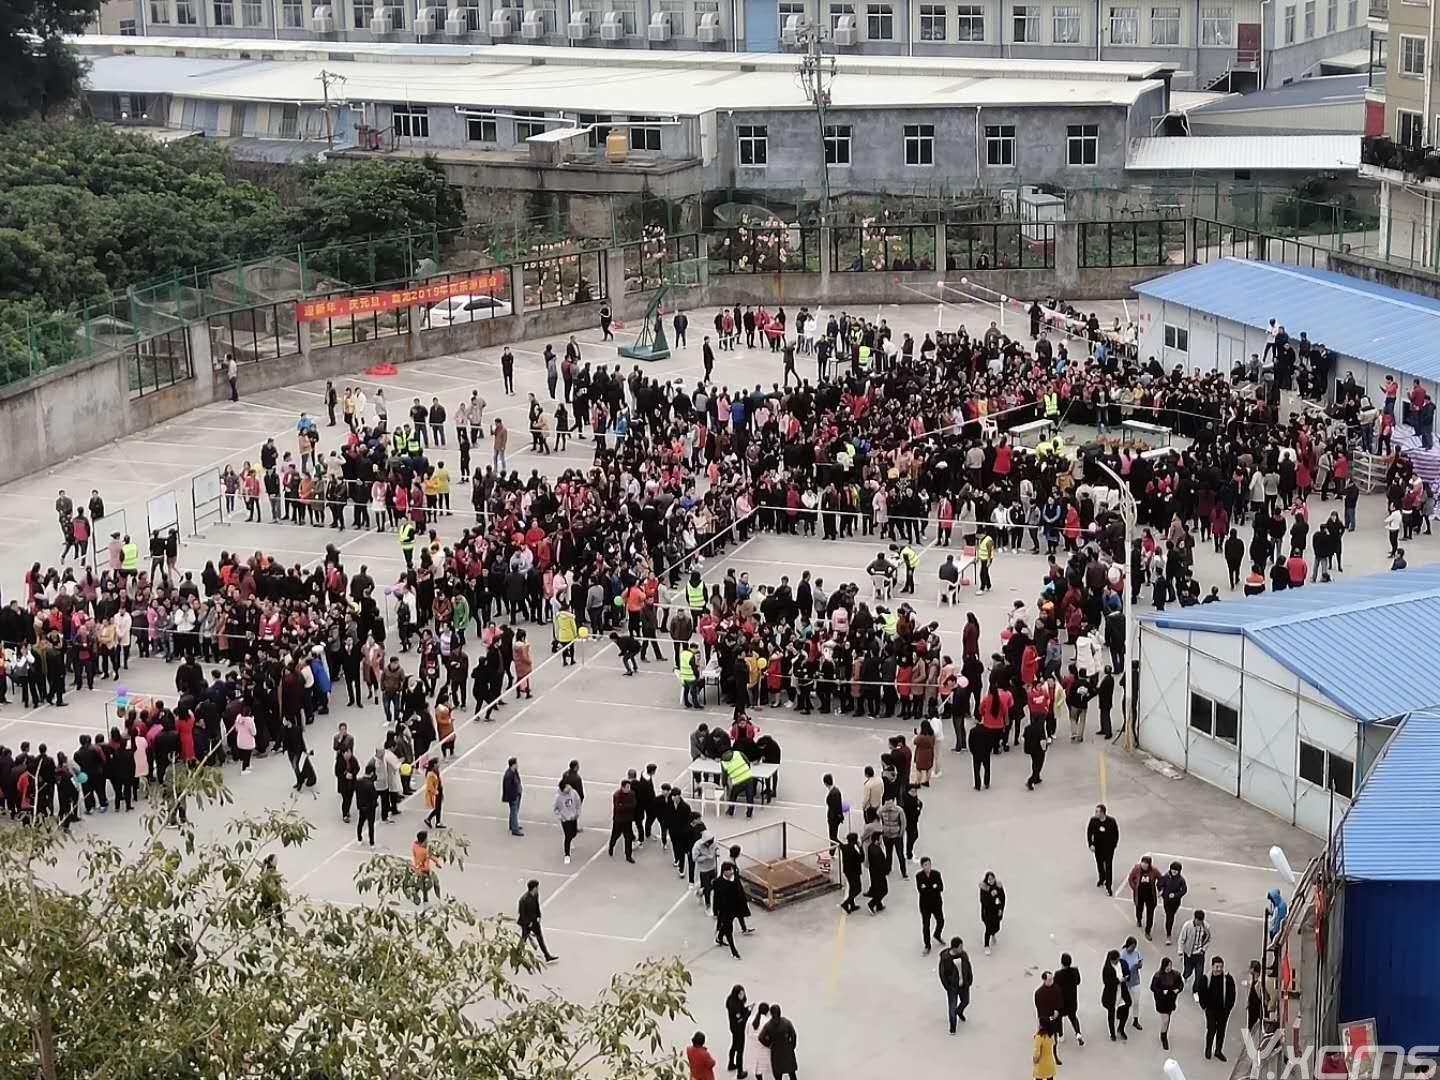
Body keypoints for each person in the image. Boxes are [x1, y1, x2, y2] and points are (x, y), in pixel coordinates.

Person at [1200, 956, 1237, 1061]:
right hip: (1210, 1010)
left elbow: (1232, 994)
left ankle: (1218, 1051)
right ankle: (1208, 1049)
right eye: (1217, 967)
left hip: (1223, 1011)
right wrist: (1204, 1006)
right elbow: (1201, 993)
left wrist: (1228, 1009)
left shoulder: (1228, 979)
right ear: (1212, 967)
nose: (1219, 969)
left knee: (1221, 1031)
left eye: (1221, 967)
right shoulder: (1206, 979)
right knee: (1211, 1030)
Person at [938, 936, 974, 1033]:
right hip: (953, 987)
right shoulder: (946, 959)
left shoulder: (964, 955)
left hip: (964, 985)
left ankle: (959, 1011)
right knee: (952, 1007)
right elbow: (942, 974)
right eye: (960, 947)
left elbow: (968, 967)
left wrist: (969, 979)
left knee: (966, 1001)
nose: (962, 948)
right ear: (954, 948)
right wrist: (948, 987)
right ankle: (953, 1027)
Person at [517, 879, 558, 962]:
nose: (538, 888)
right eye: (537, 887)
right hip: (527, 923)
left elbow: (537, 906)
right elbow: (522, 913)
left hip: (534, 921)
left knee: (540, 938)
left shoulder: (535, 895)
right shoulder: (523, 900)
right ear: (534, 888)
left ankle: (547, 955)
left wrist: (539, 916)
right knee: (524, 938)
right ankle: (517, 954)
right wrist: (528, 923)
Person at [713, 862, 746, 959]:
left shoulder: (735, 879)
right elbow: (716, 897)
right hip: (725, 909)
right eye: (729, 870)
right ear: (724, 871)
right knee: (729, 929)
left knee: (726, 925)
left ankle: (719, 937)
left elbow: (740, 892)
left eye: (731, 870)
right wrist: (715, 911)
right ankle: (734, 951)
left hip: (735, 907)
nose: (731, 872)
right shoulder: (718, 882)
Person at [1150, 956, 1183, 1050]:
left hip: (1171, 1000)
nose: (1169, 968)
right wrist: (1161, 991)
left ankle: (1165, 1031)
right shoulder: (1158, 976)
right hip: (1161, 1001)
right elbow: (1153, 987)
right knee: (1165, 1020)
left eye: (1170, 965)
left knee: (1168, 1018)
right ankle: (1163, 1036)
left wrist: (1178, 989)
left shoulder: (1176, 974)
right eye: (1167, 966)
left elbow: (1181, 984)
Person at [1178, 909, 1212, 999]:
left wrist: (1203, 949)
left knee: (1199, 974)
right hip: (1189, 954)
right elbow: (1182, 939)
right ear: (1195, 918)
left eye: (1201, 921)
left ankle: (1196, 990)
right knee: (1188, 971)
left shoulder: (1206, 927)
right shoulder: (1187, 926)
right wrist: (1180, 952)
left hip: (1199, 954)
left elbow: (1208, 939)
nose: (1199, 923)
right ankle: (1183, 978)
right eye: (1198, 921)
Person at [1087, 803, 1119, 896]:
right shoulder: (1093, 821)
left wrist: (1113, 845)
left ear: (1102, 813)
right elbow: (1089, 833)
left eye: (1097, 811)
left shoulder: (1111, 821)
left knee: (1108, 866)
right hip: (1098, 847)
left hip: (1108, 848)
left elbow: (1116, 834)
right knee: (1099, 864)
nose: (1095, 813)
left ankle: (1108, 886)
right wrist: (1091, 844)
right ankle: (1102, 878)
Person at [758, 1004, 798, 1080]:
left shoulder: (768, 1025)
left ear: (771, 1013)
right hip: (787, 1050)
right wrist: (792, 1046)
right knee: (791, 1073)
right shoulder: (786, 1022)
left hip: (775, 1051)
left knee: (778, 1075)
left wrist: (769, 1044)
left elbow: (760, 1037)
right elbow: (793, 1035)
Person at [916, 855, 946, 954]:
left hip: (936, 903)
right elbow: (921, 890)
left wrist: (929, 888)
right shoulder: (919, 876)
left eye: (929, 864)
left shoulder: (936, 874)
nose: (928, 867)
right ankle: (927, 945)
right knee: (926, 925)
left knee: (941, 921)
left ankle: (937, 934)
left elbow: (941, 887)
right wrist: (933, 887)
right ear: (922, 866)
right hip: (925, 905)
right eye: (925, 865)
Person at [1101, 948, 1132, 1041]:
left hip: (1122, 992)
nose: (1118, 962)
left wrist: (1127, 977)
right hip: (1111, 995)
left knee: (1126, 1006)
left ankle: (1121, 1028)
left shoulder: (1122, 963)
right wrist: (1119, 980)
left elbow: (1127, 972)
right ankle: (1112, 1033)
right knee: (1111, 1014)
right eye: (1116, 961)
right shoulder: (1107, 969)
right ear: (1111, 960)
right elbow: (1107, 982)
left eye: (1118, 959)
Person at [1034, 972, 1064, 1060]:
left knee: (1054, 1039)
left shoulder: (1057, 988)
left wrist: (1057, 1009)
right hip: (1045, 1019)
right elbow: (1039, 1008)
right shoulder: (1039, 993)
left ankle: (1054, 1055)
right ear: (1044, 980)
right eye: (1049, 980)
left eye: (1052, 979)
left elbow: (1060, 1000)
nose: (1052, 981)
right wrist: (1042, 1020)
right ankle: (1041, 1054)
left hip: (1054, 1018)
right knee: (1043, 1038)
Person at [1128, 854, 1160, 938]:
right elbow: (1130, 879)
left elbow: (1161, 879)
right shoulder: (1136, 869)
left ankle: (1148, 931)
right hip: (1139, 894)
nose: (1144, 865)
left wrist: (1160, 888)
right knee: (1139, 908)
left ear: (1149, 864)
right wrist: (1134, 888)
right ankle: (1139, 919)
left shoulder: (1154, 870)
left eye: (1146, 863)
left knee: (1150, 913)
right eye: (1143, 863)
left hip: (1150, 895)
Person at [1055, 953, 1084, 1044]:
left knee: (1059, 1018)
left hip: (1062, 1002)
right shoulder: (1075, 971)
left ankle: (1061, 1035)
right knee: (1073, 1017)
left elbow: (1055, 987)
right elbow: (1078, 981)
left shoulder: (1058, 974)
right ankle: (1078, 1033)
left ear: (1061, 962)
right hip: (1072, 1000)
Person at [1159, 861, 1188, 944]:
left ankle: (1169, 929)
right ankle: (1168, 935)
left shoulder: (1181, 880)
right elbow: (1160, 884)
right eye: (1173, 870)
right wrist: (1161, 891)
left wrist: (1175, 895)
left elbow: (1184, 890)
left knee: (1172, 915)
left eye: (1176, 870)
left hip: (1175, 902)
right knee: (1169, 916)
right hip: (1167, 900)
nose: (1174, 872)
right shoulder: (1166, 877)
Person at [553, 779, 582, 864]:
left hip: (573, 817)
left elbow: (578, 802)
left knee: (574, 833)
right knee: (567, 836)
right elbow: (555, 809)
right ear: (563, 789)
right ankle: (567, 855)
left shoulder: (573, 793)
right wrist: (561, 817)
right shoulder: (558, 797)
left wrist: (577, 813)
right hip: (565, 819)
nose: (569, 787)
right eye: (566, 786)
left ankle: (570, 840)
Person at [1119, 935, 1144, 1030]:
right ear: (1128, 945)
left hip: (1135, 980)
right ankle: (1121, 1016)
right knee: (1124, 1001)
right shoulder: (1122, 954)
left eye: (1134, 947)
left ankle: (1135, 1020)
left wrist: (1139, 965)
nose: (1133, 949)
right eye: (1132, 947)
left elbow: (1140, 963)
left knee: (1136, 1001)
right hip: (1125, 982)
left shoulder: (1136, 953)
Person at [725, 987, 751, 1074]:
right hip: (738, 1029)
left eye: (743, 993)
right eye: (740, 994)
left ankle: (731, 1064)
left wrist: (746, 1009)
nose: (742, 995)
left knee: (734, 1045)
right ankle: (740, 1072)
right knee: (740, 1049)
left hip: (733, 1027)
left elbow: (741, 1012)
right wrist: (748, 1012)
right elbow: (741, 1020)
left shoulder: (733, 1001)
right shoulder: (734, 1006)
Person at [411, 829, 441, 906]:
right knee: (429, 885)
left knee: (422, 885)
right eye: (426, 839)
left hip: (418, 869)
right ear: (424, 840)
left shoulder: (415, 846)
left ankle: (416, 894)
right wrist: (436, 861)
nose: (427, 840)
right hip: (424, 870)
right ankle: (429, 901)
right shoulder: (423, 851)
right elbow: (429, 855)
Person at [979, 870, 1005, 953]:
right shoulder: (984, 888)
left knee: (997, 927)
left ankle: (993, 934)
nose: (991, 881)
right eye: (989, 879)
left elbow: (1003, 898)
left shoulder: (998, 886)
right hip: (987, 912)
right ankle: (986, 945)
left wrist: (1001, 909)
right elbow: (983, 901)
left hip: (997, 911)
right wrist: (991, 896)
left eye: (992, 878)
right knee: (988, 929)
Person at [865, 830, 889, 913]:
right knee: (884, 890)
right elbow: (880, 864)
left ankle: (879, 905)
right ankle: (872, 904)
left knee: (877, 889)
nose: (881, 840)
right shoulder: (876, 851)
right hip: (879, 874)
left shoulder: (871, 847)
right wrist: (885, 870)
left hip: (873, 872)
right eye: (880, 838)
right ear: (877, 840)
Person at [839, 831, 864, 914]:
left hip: (847, 871)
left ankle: (852, 905)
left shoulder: (844, 847)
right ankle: (846, 903)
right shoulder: (854, 850)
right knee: (858, 889)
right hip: (854, 871)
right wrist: (861, 847)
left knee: (852, 887)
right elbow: (862, 859)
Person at [502, 756, 524, 837]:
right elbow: (508, 788)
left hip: (517, 794)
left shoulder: (514, 771)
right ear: (513, 765)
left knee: (514, 811)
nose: (518, 765)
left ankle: (512, 825)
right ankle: (515, 829)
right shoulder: (509, 775)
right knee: (514, 812)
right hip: (513, 796)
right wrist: (513, 797)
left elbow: (518, 781)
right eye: (516, 763)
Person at [422, 759, 445, 829]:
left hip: (439, 791)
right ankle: (428, 819)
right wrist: (436, 792)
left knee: (439, 807)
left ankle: (438, 822)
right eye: (437, 763)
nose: (439, 765)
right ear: (434, 764)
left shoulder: (436, 771)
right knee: (437, 808)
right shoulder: (430, 774)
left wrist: (441, 792)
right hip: (435, 793)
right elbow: (430, 786)